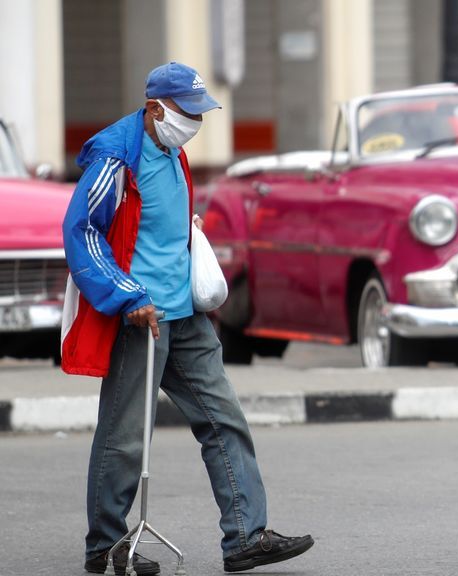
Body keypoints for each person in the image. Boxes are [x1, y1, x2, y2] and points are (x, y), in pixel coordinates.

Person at [62, 62, 314, 575]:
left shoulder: (172, 148)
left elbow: (157, 224)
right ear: (156, 108)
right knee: (125, 437)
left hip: (186, 315)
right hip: (140, 318)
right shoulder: (115, 156)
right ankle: (105, 545)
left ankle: (246, 536)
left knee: (225, 421)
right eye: (188, 111)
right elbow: (82, 233)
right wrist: (125, 294)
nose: (195, 122)